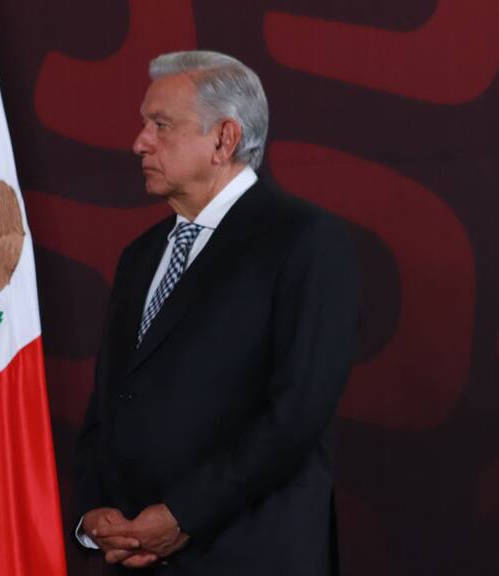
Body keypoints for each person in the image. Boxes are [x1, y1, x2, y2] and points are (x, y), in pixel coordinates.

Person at [74, 50, 359, 575]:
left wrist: (182, 515)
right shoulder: (140, 256)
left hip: (249, 556)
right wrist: (92, 513)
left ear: (224, 140)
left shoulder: (305, 241)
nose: (139, 141)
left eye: (161, 125)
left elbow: (295, 413)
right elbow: (110, 402)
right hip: (134, 560)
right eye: (144, 124)